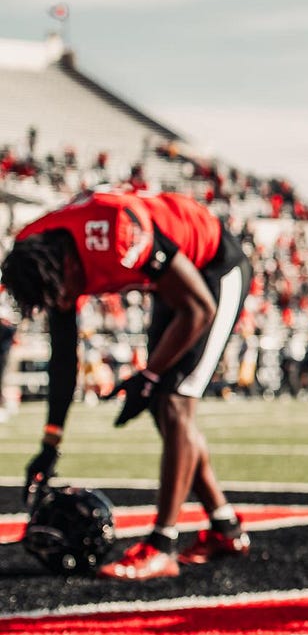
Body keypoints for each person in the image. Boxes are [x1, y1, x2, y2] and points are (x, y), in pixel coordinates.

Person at [0, 189, 252, 580]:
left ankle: (162, 546)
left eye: (64, 292)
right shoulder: (36, 251)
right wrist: (51, 442)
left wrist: (149, 376)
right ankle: (226, 528)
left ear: (66, 264)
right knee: (162, 405)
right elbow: (64, 355)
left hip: (214, 267)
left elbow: (200, 307)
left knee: (172, 401)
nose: (66, 301)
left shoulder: (116, 233)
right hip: (170, 280)